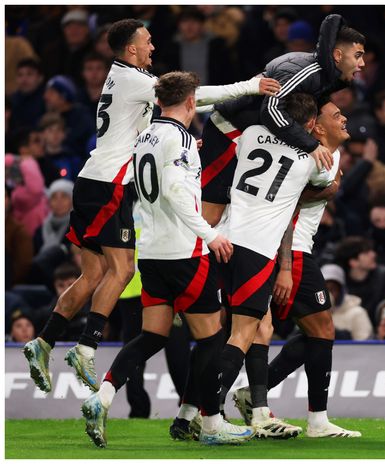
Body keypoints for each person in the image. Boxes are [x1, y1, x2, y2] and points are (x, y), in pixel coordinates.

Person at [23, 17, 281, 395]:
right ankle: (86, 346)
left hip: (92, 179)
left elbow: (142, 129)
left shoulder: (121, 78)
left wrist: (180, 147)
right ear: (131, 49)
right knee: (123, 270)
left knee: (93, 275)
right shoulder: (138, 81)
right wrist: (250, 86)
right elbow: (193, 96)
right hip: (110, 184)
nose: (153, 47)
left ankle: (43, 341)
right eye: (148, 42)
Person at [80, 71, 252, 448]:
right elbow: (176, 191)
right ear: (191, 101)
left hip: (152, 252)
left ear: (159, 102)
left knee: (152, 335)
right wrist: (211, 235)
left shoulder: (145, 137)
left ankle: (103, 396)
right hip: (185, 251)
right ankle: (210, 423)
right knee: (212, 338)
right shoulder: (181, 139)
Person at [232, 99, 361, 439]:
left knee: (283, 329)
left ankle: (242, 400)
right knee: (319, 329)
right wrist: (287, 266)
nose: (344, 118)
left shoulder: (326, 158)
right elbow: (284, 208)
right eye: (336, 116)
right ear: (317, 127)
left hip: (274, 248)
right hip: (290, 251)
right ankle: (315, 420)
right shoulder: (313, 157)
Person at [214, 93, 336, 440]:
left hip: (223, 240)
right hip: (258, 248)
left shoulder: (251, 133)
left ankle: (208, 413)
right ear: (311, 126)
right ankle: (210, 416)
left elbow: (225, 119)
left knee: (227, 331)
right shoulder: (311, 160)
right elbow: (325, 188)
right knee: (243, 334)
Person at [198, 14, 360, 227]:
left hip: (249, 136)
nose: (363, 63)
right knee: (210, 216)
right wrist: (312, 145)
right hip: (229, 132)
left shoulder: (325, 77)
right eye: (358, 55)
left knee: (228, 215)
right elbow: (271, 110)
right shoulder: (305, 69)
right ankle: (172, 255)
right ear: (338, 55)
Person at [322, 263, 373, 340]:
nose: (328, 294)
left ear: (341, 291)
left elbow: (365, 348)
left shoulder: (357, 313)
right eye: (324, 289)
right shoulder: (312, 315)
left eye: (332, 289)